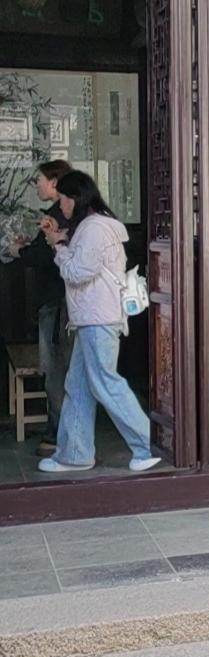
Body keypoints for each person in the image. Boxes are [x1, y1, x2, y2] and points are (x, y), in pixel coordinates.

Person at [37, 170, 160, 477]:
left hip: (97, 318)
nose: (61, 206)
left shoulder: (94, 228)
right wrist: (60, 239)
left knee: (105, 383)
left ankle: (147, 446)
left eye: (63, 199)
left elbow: (78, 272)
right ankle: (74, 455)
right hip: (92, 317)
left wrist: (58, 248)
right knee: (78, 387)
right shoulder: (96, 225)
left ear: (75, 198)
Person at [8, 159, 72, 457]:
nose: (37, 185)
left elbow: (45, 257)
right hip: (56, 302)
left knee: (55, 368)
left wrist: (19, 251)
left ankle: (59, 434)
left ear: (55, 183)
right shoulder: (56, 214)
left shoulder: (60, 215)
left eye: (40, 179)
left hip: (57, 303)